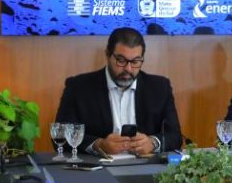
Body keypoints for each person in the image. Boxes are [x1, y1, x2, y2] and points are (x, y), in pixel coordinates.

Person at [55, 27, 182, 155]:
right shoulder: (78, 87)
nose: (128, 69)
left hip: (145, 163)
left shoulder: (159, 87)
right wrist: (99, 145)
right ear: (107, 55)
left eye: (135, 61)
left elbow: (175, 136)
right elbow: (61, 136)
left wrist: (153, 143)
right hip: (99, 164)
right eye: (121, 60)